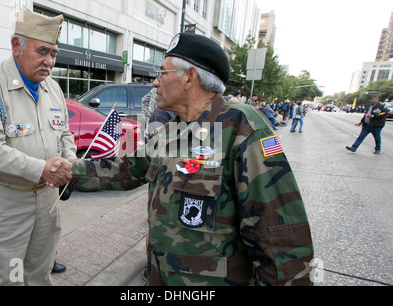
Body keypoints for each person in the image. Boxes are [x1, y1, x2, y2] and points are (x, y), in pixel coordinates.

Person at [67, 33, 314, 286]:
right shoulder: (168, 132)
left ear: (189, 77)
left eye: (162, 73)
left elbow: (280, 239)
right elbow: (126, 170)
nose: (155, 83)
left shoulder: (241, 126)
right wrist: (68, 170)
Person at [0, 7, 75, 286]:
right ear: (17, 46)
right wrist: (42, 169)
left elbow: (64, 134)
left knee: (40, 273)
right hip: (9, 204)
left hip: (48, 203)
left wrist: (69, 162)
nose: (49, 62)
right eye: (42, 52)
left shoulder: (54, 88)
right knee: (9, 279)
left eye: (53, 54)